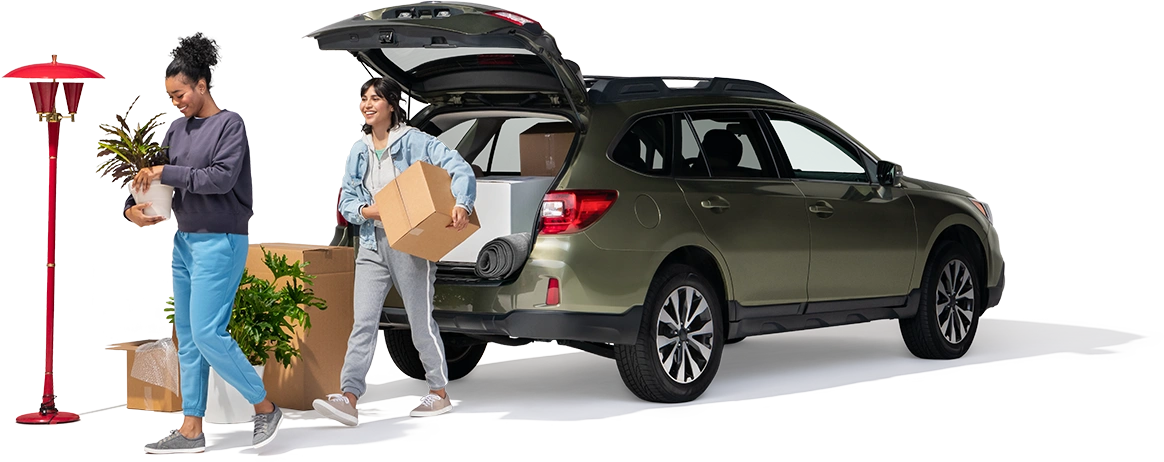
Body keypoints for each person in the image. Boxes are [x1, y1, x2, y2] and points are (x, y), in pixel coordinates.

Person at [124, 32, 283, 454]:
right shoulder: (177, 131)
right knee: (189, 339)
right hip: (185, 242)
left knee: (210, 335)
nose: (176, 103)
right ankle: (192, 428)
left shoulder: (230, 125)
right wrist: (131, 207)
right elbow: (149, 175)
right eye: (171, 97)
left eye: (180, 94)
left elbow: (220, 178)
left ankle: (265, 406)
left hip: (220, 240)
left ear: (202, 85)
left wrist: (165, 173)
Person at [311, 77, 476, 426]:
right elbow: (350, 200)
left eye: (375, 98)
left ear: (392, 104)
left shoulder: (414, 142)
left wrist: (462, 203)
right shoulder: (360, 150)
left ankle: (439, 392)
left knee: (420, 322)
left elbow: (458, 166)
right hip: (372, 243)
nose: (368, 104)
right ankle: (350, 397)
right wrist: (370, 212)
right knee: (364, 323)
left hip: (411, 244)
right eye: (364, 98)